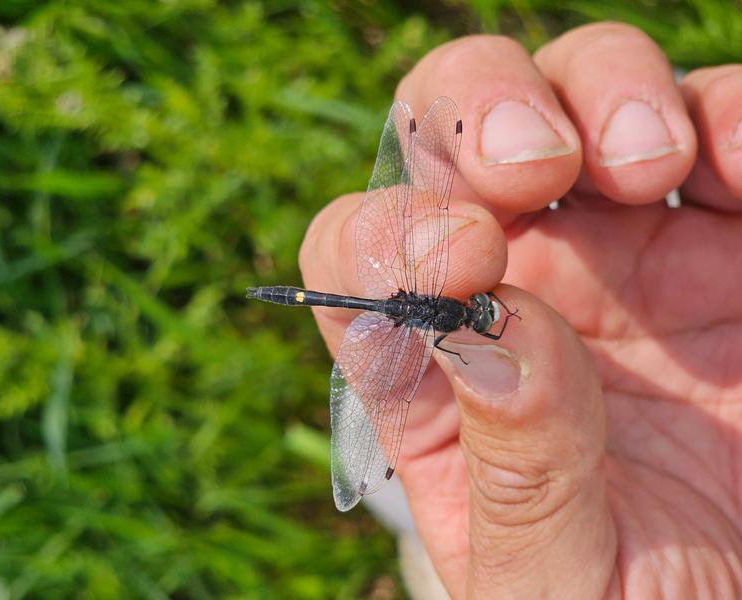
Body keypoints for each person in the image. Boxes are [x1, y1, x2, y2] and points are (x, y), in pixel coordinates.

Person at [298, 22, 742, 599]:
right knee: (454, 242)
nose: (487, 312)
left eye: (482, 310)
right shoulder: (446, 297)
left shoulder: (457, 310)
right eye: (481, 311)